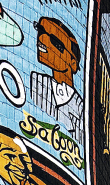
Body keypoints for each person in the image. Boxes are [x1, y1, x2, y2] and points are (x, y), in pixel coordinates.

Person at [29, 16, 85, 144]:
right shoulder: (35, 82)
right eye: (41, 31)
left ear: (73, 63)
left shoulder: (81, 111)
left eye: (54, 41)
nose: (42, 39)